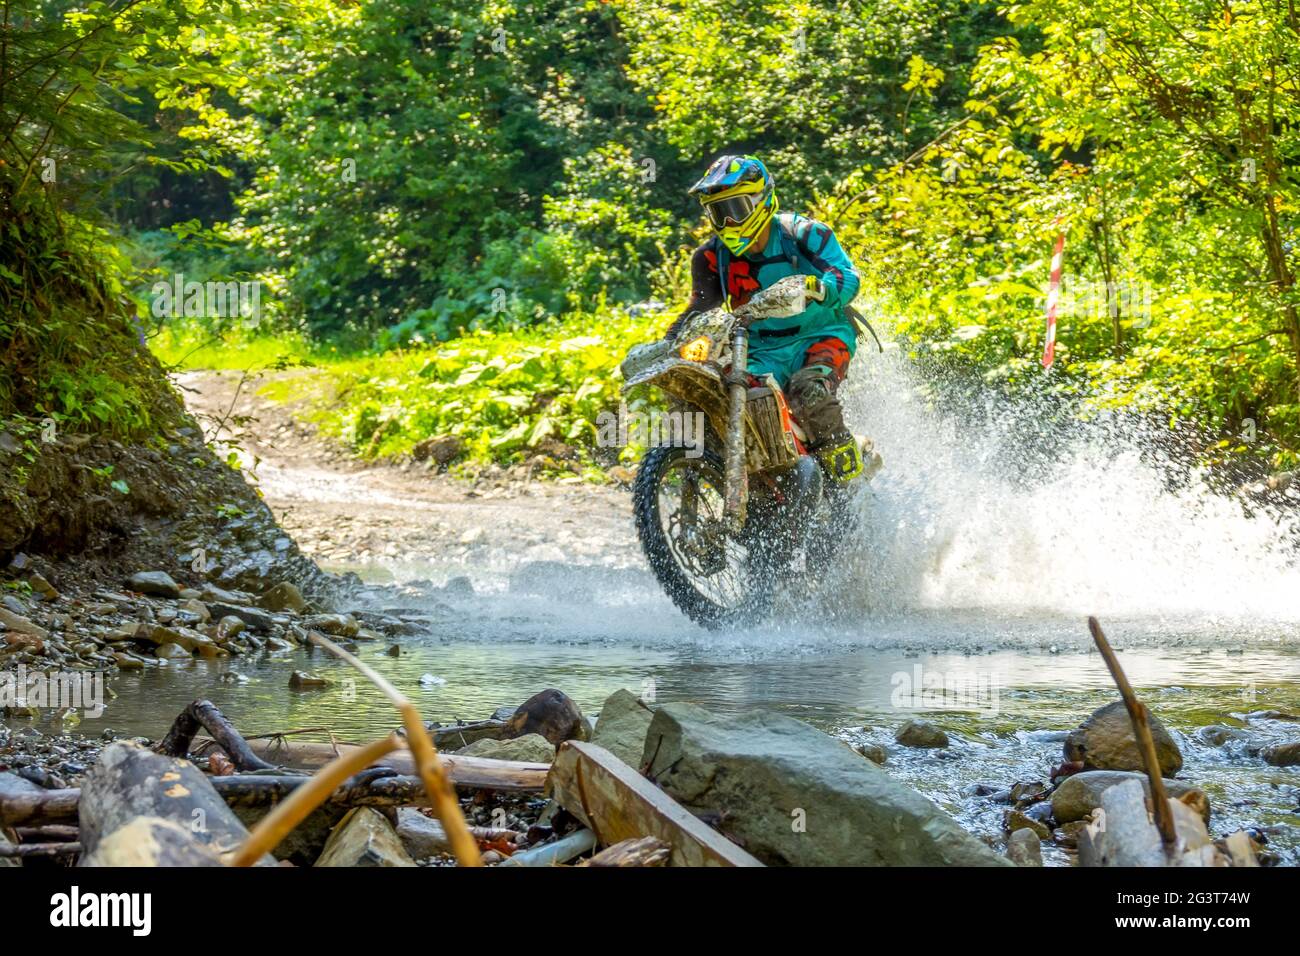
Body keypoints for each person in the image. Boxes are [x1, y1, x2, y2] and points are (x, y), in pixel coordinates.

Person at [665, 154, 864, 481]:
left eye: (735, 210)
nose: (728, 223)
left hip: (820, 334)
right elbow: (697, 308)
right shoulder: (710, 257)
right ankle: (758, 480)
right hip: (758, 349)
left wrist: (819, 287)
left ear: (762, 200)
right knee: (726, 396)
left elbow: (847, 276)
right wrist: (669, 341)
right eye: (718, 213)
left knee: (808, 391)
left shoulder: (804, 233)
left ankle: (848, 483)